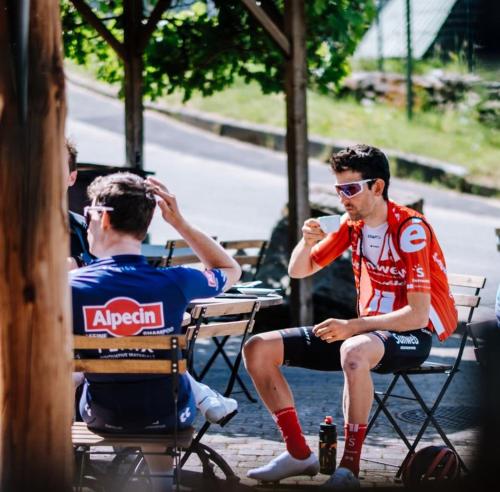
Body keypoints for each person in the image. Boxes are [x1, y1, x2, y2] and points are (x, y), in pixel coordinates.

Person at [243, 144, 458, 488]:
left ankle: (349, 469)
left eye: (351, 189)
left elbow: (418, 316)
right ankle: (299, 454)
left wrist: (353, 326)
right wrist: (305, 240)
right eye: (339, 189)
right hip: (364, 332)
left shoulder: (411, 229)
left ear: (377, 187)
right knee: (258, 348)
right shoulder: (351, 224)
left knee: (353, 350)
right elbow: (299, 270)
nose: (343, 198)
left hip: (410, 336)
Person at [71, 172, 242, 441]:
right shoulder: (177, 280)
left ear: (102, 217)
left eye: (88, 214)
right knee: (163, 381)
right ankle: (162, 477)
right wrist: (179, 222)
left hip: (104, 417)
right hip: (170, 417)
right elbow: (230, 269)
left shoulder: (70, 285)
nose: (85, 223)